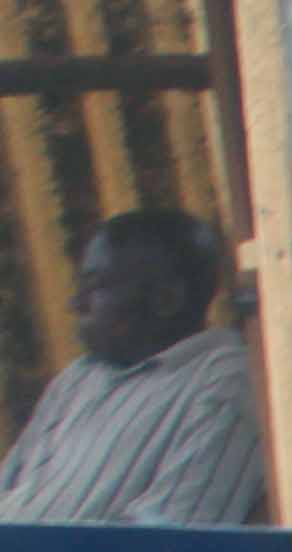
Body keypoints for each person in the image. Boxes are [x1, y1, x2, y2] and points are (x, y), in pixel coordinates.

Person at [0, 209, 269, 527]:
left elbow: (166, 546)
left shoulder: (226, 384)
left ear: (165, 299)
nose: (75, 304)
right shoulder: (79, 378)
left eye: (95, 287)